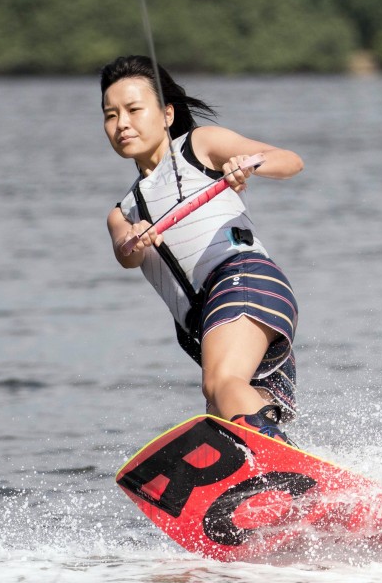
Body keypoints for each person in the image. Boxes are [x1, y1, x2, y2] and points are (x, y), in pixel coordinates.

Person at [100, 55, 303, 445]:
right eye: (111, 115)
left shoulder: (199, 146)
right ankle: (286, 491)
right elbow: (126, 254)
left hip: (243, 282)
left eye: (133, 109)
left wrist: (250, 164)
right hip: (203, 325)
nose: (121, 123)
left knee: (220, 382)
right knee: (224, 419)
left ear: (166, 114)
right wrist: (134, 238)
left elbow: (291, 161)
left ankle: (284, 466)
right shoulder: (122, 212)